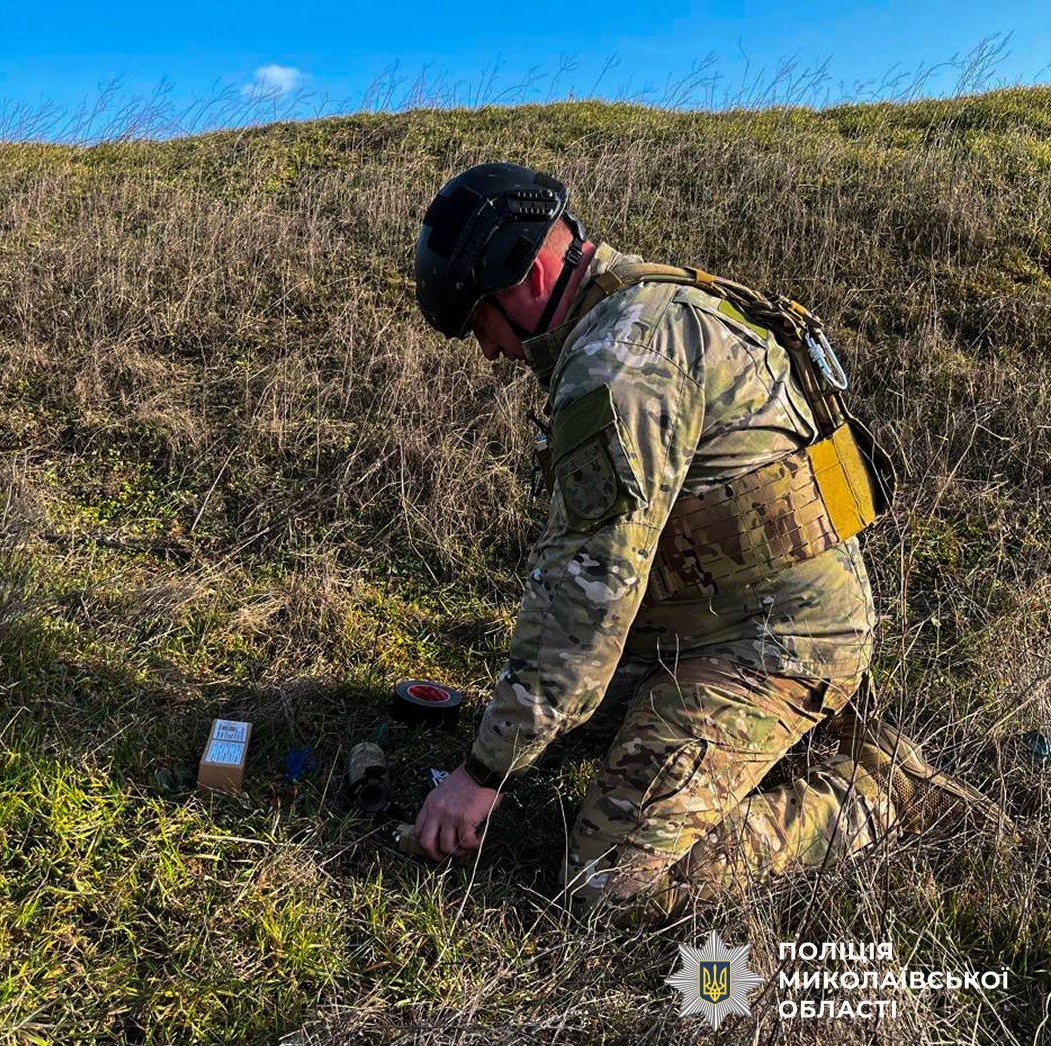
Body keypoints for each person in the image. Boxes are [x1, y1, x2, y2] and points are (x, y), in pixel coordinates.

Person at [409, 162, 1008, 928]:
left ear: (521, 277)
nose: (488, 351)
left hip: (773, 644)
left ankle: (872, 790)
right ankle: (772, 742)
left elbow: (590, 595)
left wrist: (483, 772)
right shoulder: (649, 302)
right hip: (709, 620)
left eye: (478, 321)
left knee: (605, 884)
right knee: (550, 733)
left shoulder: (618, 366)